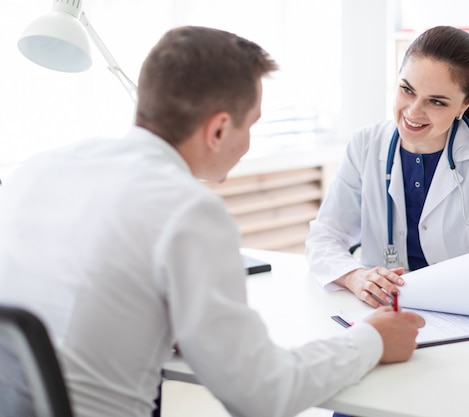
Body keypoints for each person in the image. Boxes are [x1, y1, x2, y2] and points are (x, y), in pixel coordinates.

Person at [0, 26, 425, 417]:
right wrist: (372, 339)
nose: (250, 140)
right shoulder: (187, 211)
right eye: (252, 123)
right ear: (219, 129)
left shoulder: (39, 169)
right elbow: (262, 393)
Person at [305, 26, 469, 308]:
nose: (413, 112)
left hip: (465, 307)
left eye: (436, 101)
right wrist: (355, 277)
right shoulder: (365, 145)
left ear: (466, 102)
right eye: (406, 90)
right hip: (386, 310)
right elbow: (324, 237)